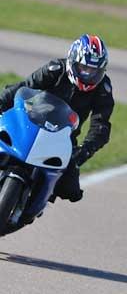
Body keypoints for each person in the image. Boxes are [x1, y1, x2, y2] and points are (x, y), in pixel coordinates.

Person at [0, 34, 113, 202]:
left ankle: (36, 202)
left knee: (70, 189)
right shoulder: (55, 69)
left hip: (64, 137)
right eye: (84, 68)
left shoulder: (103, 88)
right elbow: (23, 87)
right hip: (30, 122)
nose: (88, 74)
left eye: (94, 71)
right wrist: (1, 102)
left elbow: (101, 125)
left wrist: (85, 149)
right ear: (72, 61)